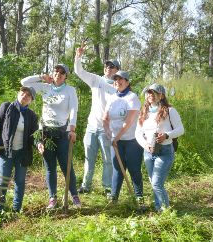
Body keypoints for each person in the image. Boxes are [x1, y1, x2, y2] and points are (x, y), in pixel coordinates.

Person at [21, 64, 81, 209]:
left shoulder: (70, 90)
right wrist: (42, 77)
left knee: (67, 166)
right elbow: (24, 83)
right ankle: (52, 197)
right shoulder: (45, 87)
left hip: (62, 132)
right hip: (46, 132)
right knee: (50, 167)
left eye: (62, 72)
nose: (58, 74)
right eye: (56, 71)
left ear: (66, 76)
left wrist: (72, 128)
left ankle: (74, 195)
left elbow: (73, 109)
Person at [74, 44, 120, 195]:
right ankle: (86, 186)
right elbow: (79, 71)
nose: (109, 68)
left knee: (108, 160)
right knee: (89, 158)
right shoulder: (96, 80)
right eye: (107, 65)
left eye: (112, 66)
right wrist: (78, 57)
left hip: (107, 130)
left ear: (117, 71)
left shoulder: (119, 88)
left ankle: (107, 187)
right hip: (91, 127)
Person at [0, 86, 38, 213]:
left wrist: (39, 144)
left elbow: (34, 136)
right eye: (23, 92)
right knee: (3, 181)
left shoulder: (32, 116)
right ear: (18, 93)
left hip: (22, 153)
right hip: (5, 152)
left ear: (31, 100)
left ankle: (16, 209)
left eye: (28, 95)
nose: (24, 95)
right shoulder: (6, 107)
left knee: (20, 182)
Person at [136, 83, 184, 212]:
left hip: (164, 151)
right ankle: (158, 207)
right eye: (148, 93)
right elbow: (138, 133)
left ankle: (165, 210)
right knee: (154, 183)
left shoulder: (170, 110)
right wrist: (145, 144)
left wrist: (167, 135)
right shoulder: (144, 111)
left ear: (161, 95)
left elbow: (180, 130)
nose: (150, 95)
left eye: (154, 93)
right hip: (148, 151)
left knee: (157, 183)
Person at [103, 71, 144, 204]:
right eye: (116, 79)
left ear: (127, 82)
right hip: (116, 141)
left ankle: (139, 197)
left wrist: (116, 137)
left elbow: (128, 122)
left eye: (121, 79)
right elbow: (105, 118)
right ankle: (114, 197)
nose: (118, 82)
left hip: (132, 140)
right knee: (117, 169)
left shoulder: (132, 98)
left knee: (134, 169)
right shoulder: (112, 97)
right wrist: (108, 132)